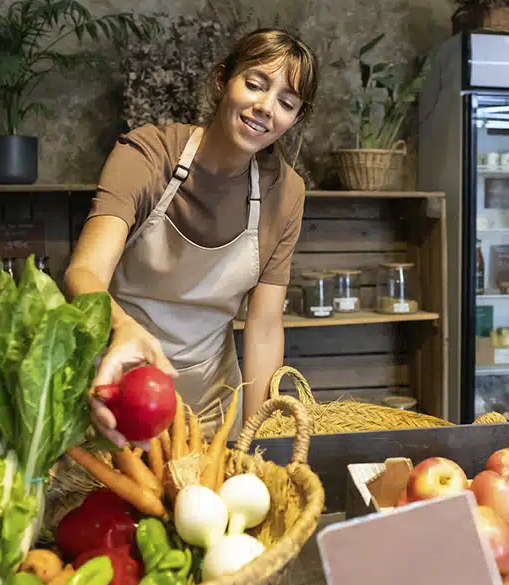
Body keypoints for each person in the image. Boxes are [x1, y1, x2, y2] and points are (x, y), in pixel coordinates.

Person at [65, 28, 319, 446]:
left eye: (286, 103)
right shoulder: (148, 154)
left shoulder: (286, 193)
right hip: (115, 397)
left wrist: (256, 442)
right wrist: (122, 329)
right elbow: (84, 273)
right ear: (223, 80)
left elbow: (265, 325)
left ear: (294, 118)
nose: (265, 108)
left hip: (210, 414)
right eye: (254, 84)